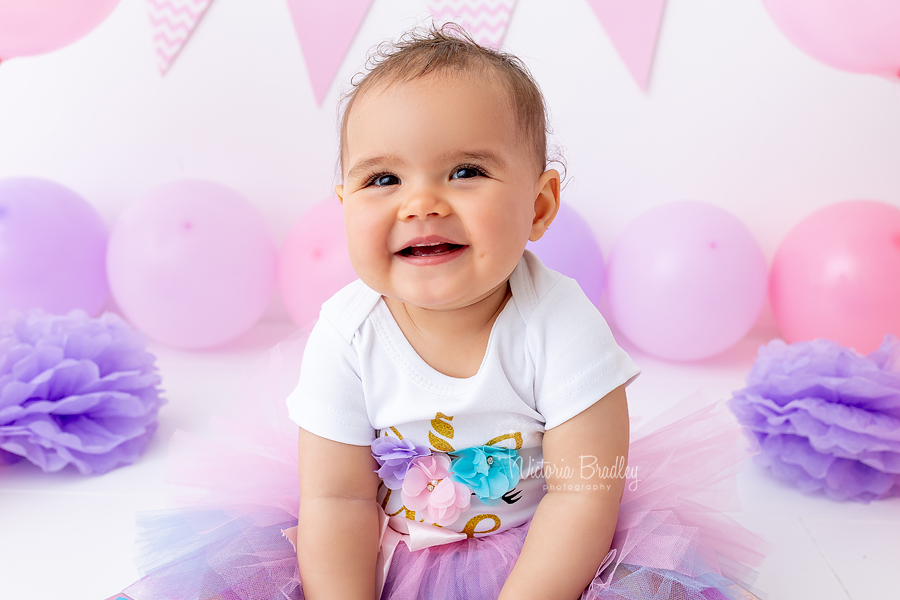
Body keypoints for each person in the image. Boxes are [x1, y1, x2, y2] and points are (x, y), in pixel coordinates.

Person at [119, 25, 764, 600]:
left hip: (545, 551)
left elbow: (581, 493)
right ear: (343, 204)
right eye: (383, 180)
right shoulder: (348, 333)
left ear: (539, 207)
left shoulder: (559, 322)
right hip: (382, 543)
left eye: (464, 170)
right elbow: (338, 497)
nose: (421, 203)